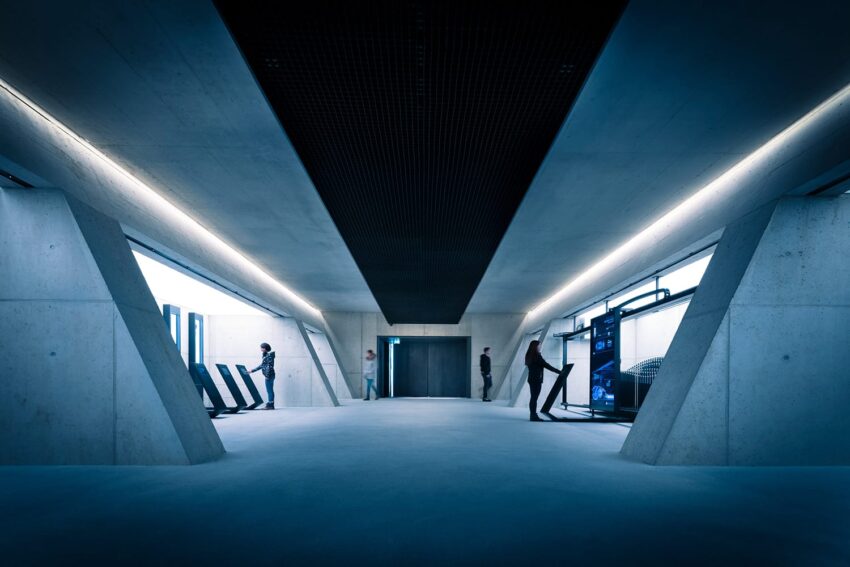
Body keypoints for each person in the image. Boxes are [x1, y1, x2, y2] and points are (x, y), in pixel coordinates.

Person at [524, 340, 560, 421]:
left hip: (532, 378)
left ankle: (532, 415)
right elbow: (546, 365)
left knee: (533, 397)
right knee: (534, 398)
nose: (540, 347)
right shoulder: (536, 356)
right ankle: (533, 416)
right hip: (536, 379)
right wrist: (558, 371)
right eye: (539, 345)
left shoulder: (529, 355)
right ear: (535, 346)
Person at [250, 342, 276, 410]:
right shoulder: (267, 355)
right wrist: (252, 370)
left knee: (269, 390)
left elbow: (268, 366)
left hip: (269, 375)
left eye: (262, 348)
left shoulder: (268, 356)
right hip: (271, 374)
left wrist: (267, 375)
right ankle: (270, 403)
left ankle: (270, 405)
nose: (261, 349)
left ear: (265, 348)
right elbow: (263, 365)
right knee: (270, 390)